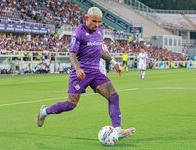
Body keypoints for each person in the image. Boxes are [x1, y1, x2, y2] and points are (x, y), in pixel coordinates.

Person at [36, 7, 135, 141]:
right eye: (94, 21)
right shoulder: (78, 33)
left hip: (95, 73)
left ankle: (117, 130)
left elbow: (100, 52)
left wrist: (113, 62)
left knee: (114, 96)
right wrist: (77, 69)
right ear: (86, 18)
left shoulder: (99, 32)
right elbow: (72, 55)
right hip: (80, 74)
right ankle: (44, 112)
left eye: (99, 22)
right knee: (71, 105)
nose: (96, 25)